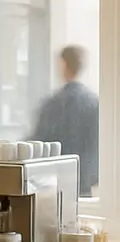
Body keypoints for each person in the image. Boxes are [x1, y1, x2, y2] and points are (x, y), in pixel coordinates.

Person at [30, 45, 99, 196]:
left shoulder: (54, 104)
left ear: (63, 65)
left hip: (57, 184)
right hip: (87, 184)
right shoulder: (95, 103)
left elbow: (38, 143)